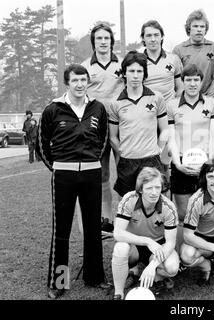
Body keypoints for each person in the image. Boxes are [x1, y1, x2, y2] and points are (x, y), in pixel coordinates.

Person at [37, 64, 109, 299]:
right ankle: (59, 282)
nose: (79, 85)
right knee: (62, 231)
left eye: (83, 80)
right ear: (67, 83)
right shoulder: (52, 109)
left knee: (92, 229)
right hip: (64, 176)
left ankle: (95, 277)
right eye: (75, 81)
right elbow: (42, 144)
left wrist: (90, 164)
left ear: (87, 82)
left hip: (91, 175)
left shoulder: (98, 108)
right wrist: (58, 167)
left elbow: (103, 140)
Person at [81, 22, 125, 233]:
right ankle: (106, 217)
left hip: (120, 125)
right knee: (102, 173)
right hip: (96, 127)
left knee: (125, 171)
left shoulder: (123, 64)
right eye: (99, 38)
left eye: (106, 38)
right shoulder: (85, 66)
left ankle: (127, 216)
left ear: (111, 41)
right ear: (93, 42)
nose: (103, 42)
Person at [111, 167, 179, 300]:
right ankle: (118, 293)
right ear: (141, 189)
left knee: (172, 267)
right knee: (120, 247)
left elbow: (170, 243)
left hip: (158, 246)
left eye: (157, 187)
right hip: (134, 244)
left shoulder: (168, 207)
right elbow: (118, 233)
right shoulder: (129, 199)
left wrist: (153, 265)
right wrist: (147, 241)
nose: (154, 192)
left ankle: (157, 277)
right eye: (149, 188)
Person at [109, 51, 169, 198]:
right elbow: (112, 137)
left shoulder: (156, 98)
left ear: (144, 74)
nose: (135, 75)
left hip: (152, 159)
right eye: (131, 71)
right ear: (124, 73)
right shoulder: (115, 102)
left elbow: (165, 130)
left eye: (139, 71)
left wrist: (158, 150)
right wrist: (124, 153)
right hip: (127, 162)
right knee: (129, 206)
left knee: (155, 204)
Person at [167, 64, 214, 221]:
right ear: (182, 81)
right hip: (182, 162)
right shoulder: (172, 105)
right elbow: (171, 138)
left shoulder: (212, 104)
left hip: (205, 162)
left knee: (207, 211)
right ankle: (185, 244)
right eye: (188, 80)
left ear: (201, 82)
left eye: (196, 80)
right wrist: (178, 164)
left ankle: (204, 244)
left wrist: (209, 163)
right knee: (183, 214)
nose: (192, 83)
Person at [172, 9, 214, 99]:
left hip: (209, 99)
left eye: (202, 27)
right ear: (189, 28)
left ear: (206, 29)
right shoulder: (179, 50)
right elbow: (178, 80)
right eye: (195, 26)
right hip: (187, 100)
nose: (199, 30)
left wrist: (209, 99)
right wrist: (188, 99)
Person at [140, 20, 183, 102]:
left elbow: (180, 87)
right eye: (149, 36)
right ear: (143, 38)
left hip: (169, 111)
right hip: (148, 111)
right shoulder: (138, 62)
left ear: (162, 36)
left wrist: (175, 107)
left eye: (156, 35)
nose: (153, 39)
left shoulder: (173, 59)